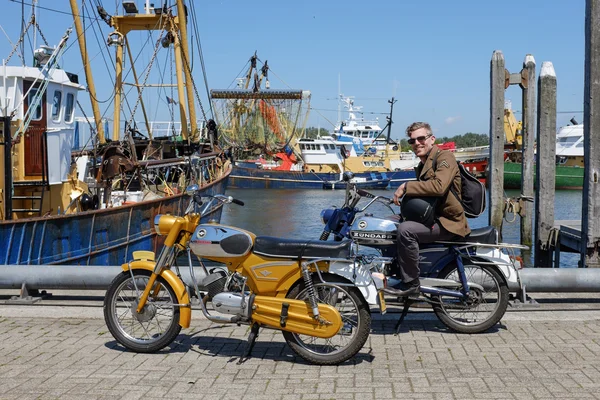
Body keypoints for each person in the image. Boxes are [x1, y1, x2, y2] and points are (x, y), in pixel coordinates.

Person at [385, 122, 471, 296]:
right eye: (412, 141)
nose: (417, 143)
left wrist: (406, 186)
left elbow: (439, 187)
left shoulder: (444, 157)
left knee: (406, 230)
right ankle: (394, 269)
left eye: (421, 138)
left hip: (448, 222)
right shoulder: (423, 164)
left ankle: (411, 284)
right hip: (433, 218)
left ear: (432, 139)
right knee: (386, 223)